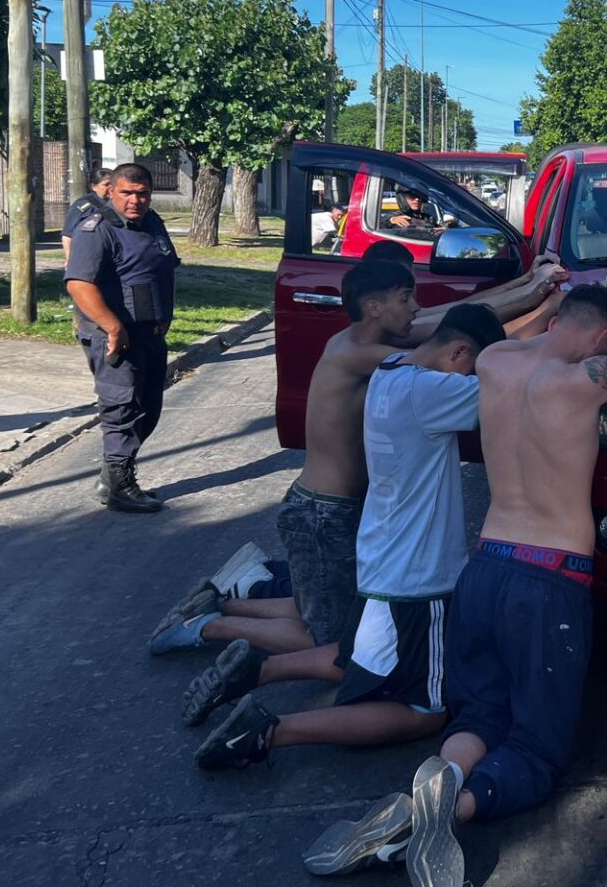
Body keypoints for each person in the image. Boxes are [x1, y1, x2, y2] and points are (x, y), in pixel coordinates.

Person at [149, 248, 570, 657]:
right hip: (322, 513)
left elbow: (458, 318)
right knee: (332, 639)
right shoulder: (363, 355)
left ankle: (221, 603)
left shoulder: (374, 340)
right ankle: (208, 627)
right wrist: (546, 310)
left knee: (338, 609)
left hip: (341, 510)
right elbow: (458, 339)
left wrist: (529, 286)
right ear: (374, 307)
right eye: (407, 299)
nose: (416, 309)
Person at [400, 282, 607, 887]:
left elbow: (527, 334)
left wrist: (553, 307)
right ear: (603, 338)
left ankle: (445, 772)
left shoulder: (495, 360)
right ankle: (457, 808)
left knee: (481, 711)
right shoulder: (589, 378)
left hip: (487, 563)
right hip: (550, 578)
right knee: (535, 746)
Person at [190, 304, 509, 772]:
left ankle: (255, 672)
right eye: (471, 369)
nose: (469, 381)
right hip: (419, 582)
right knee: (426, 710)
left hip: (381, 559)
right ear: (459, 353)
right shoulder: (431, 392)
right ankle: (270, 731)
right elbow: (519, 385)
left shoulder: (391, 369)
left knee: (353, 654)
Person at [65, 162, 179, 514]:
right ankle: (120, 486)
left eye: (142, 193)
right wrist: (113, 326)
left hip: (149, 333)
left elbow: (163, 270)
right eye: (127, 193)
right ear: (110, 191)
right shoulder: (96, 229)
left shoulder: (153, 223)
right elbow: (79, 284)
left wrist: (164, 318)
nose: (135, 200)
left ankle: (111, 476)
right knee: (122, 408)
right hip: (116, 337)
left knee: (149, 409)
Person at [61, 166, 114, 262]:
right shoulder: (83, 205)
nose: (110, 188)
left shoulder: (117, 204)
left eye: (112, 184)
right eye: (106, 184)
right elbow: (67, 235)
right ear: (93, 187)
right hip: (88, 255)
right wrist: (69, 259)